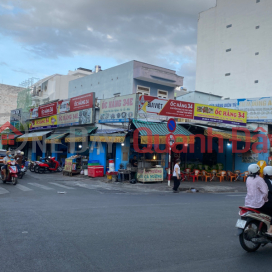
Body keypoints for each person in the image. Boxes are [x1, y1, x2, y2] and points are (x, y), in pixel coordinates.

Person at [245, 164, 272, 236]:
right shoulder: (260, 180)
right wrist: (265, 200)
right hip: (258, 203)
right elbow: (265, 192)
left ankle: (249, 226)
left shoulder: (248, 178)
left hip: (248, 202)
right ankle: (269, 231)